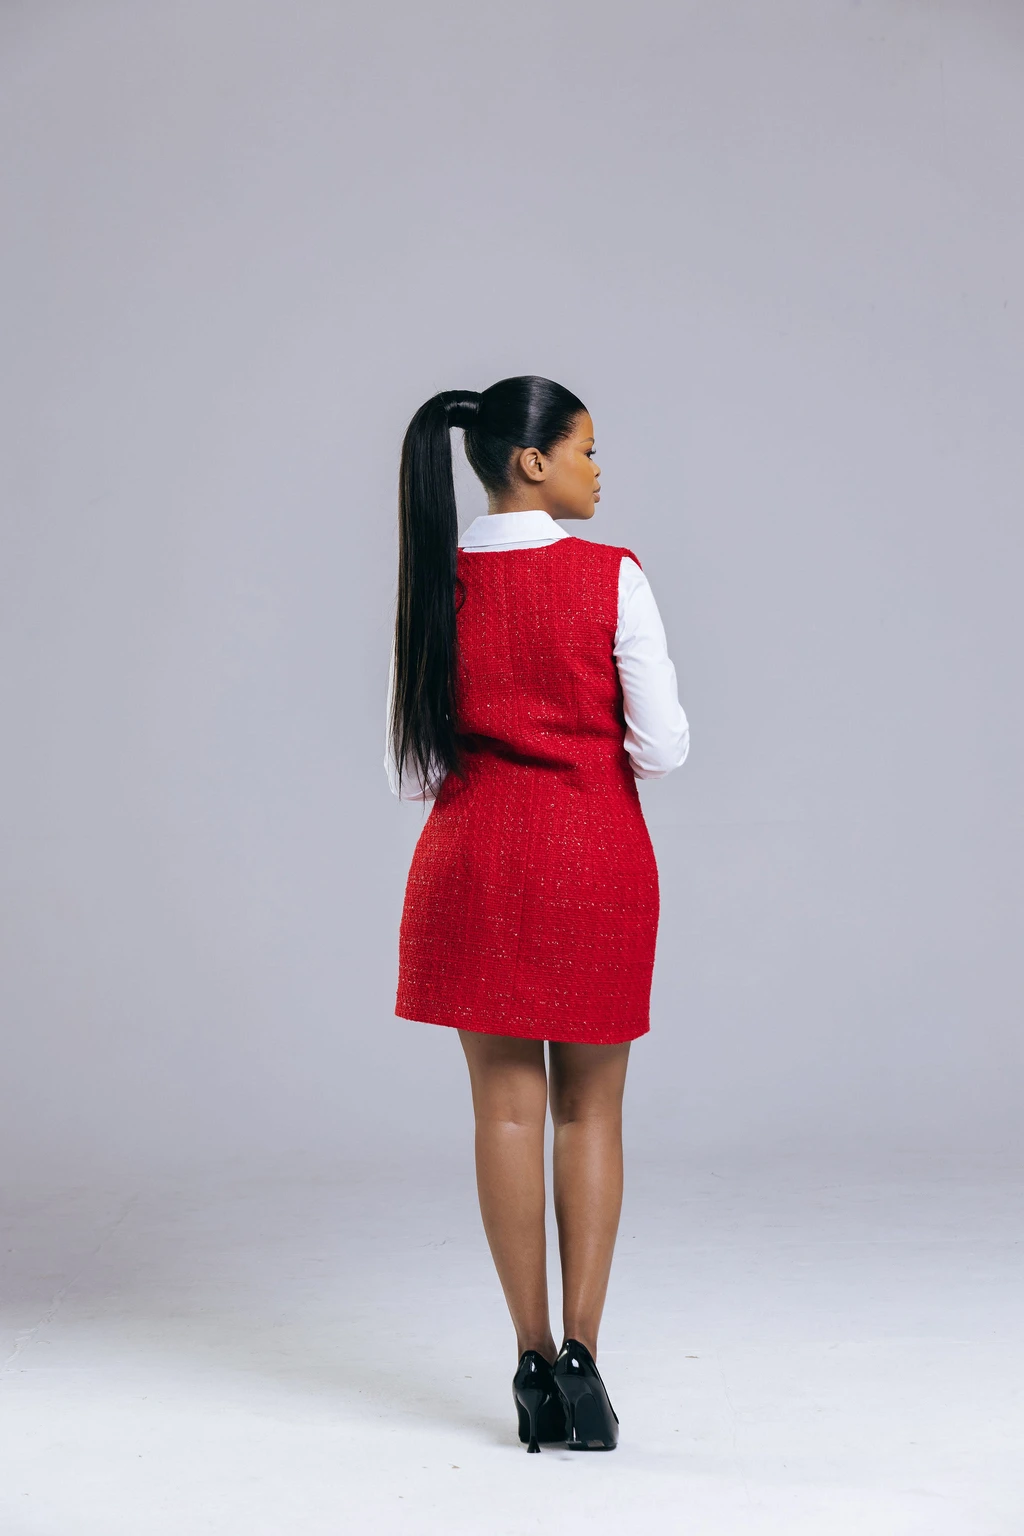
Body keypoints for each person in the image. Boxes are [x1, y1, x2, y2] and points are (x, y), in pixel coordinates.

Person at [385, 376, 689, 1452]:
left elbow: (410, 770)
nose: (597, 470)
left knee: (504, 1115)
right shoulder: (612, 577)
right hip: (595, 861)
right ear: (533, 461)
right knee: (589, 1114)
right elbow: (663, 748)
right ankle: (584, 1362)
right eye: (587, 449)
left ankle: (527, 1363)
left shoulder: (436, 586)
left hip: (473, 866)